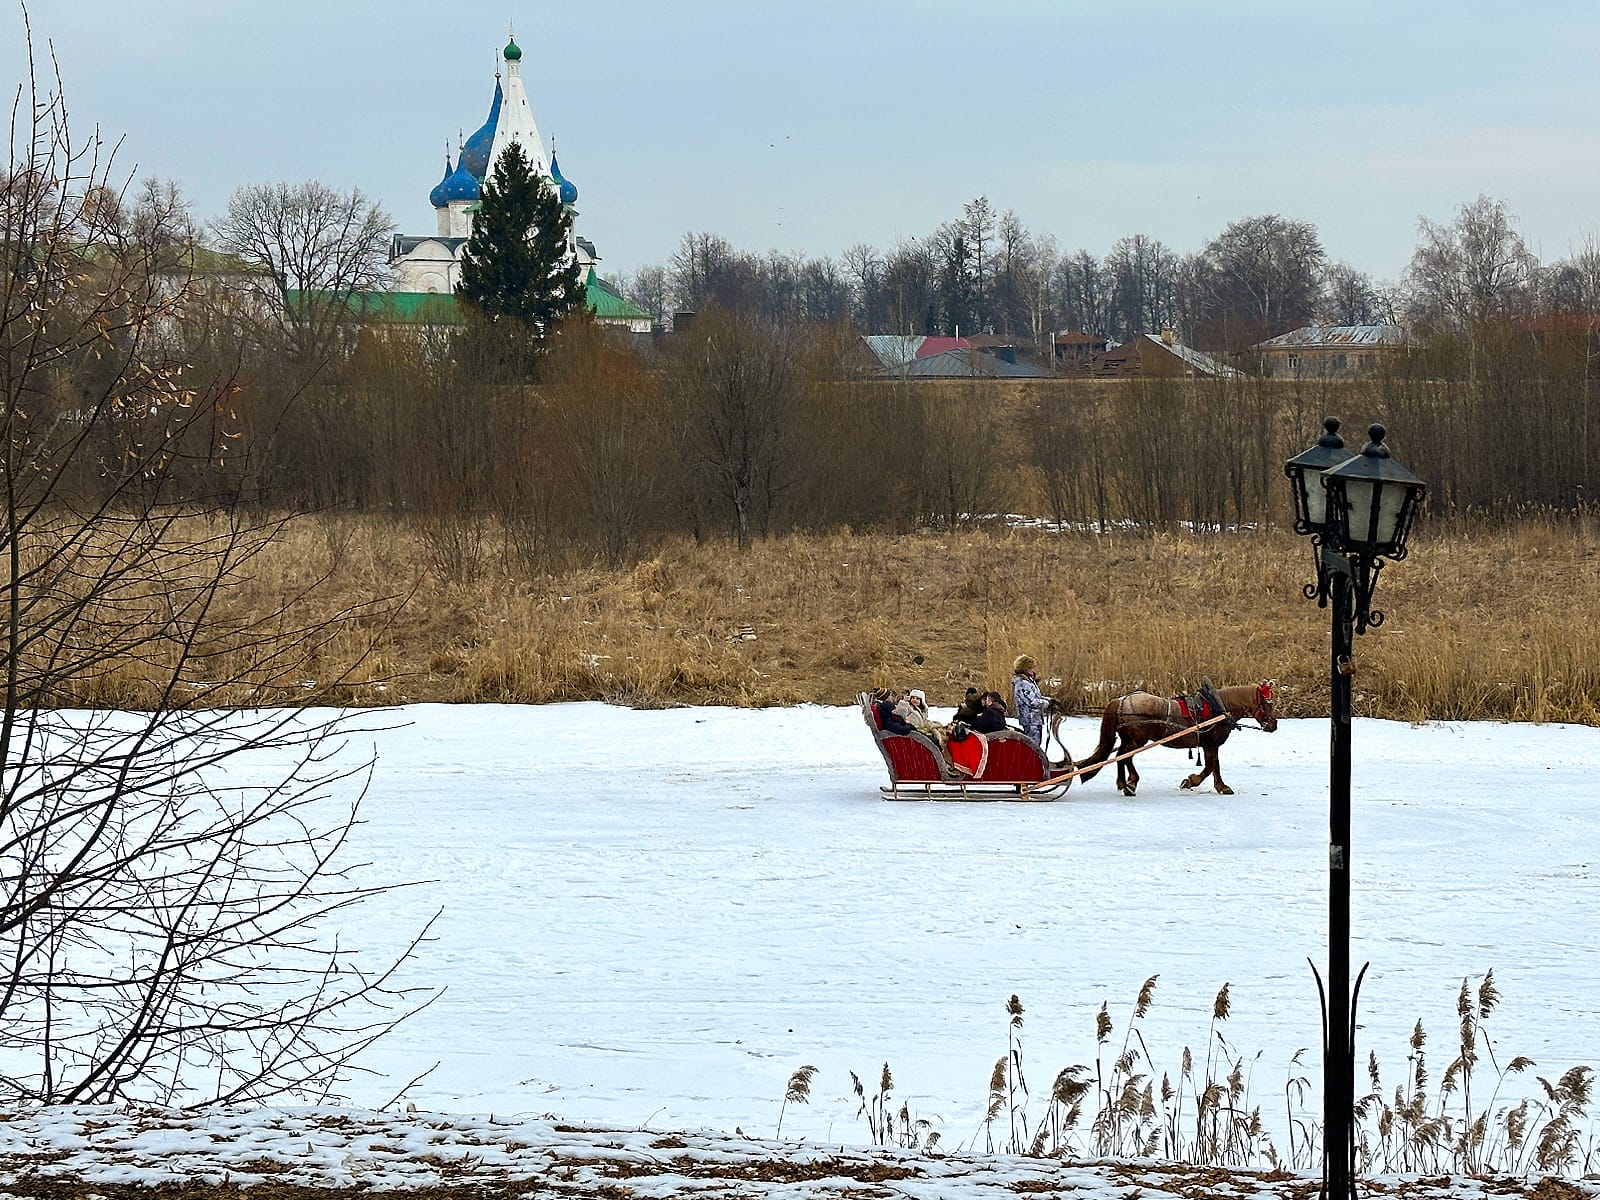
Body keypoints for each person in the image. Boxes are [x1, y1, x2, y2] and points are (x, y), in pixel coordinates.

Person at [1011, 655, 1050, 745]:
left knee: (1036, 744)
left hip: (1034, 719)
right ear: (1025, 668)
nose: (1033, 670)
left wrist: (1049, 700)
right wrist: (1047, 703)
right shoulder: (1023, 683)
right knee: (1033, 745)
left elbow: (1036, 697)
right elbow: (1032, 701)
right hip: (1030, 719)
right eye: (1031, 668)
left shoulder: (1028, 681)